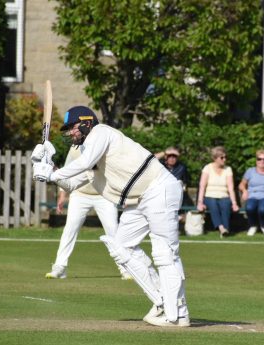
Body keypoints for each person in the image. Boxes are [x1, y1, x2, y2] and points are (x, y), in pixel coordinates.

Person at [32, 105, 190, 327]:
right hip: (138, 200)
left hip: (158, 188)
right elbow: (70, 184)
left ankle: (178, 314)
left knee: (165, 253)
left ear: (87, 122)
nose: (70, 133)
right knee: (121, 247)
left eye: (72, 128)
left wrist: (53, 172)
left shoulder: (102, 132)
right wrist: (46, 167)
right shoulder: (89, 152)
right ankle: (162, 302)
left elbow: (84, 164)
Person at [45, 146, 131, 280]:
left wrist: (123, 194)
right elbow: (66, 170)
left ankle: (126, 269)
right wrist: (62, 195)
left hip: (104, 195)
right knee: (70, 230)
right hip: (79, 194)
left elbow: (118, 172)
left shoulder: (106, 146)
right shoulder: (74, 148)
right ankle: (60, 268)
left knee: (113, 231)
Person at [196, 146, 239, 238]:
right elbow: (202, 186)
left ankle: (225, 229)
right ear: (215, 158)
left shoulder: (228, 169)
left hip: (224, 195)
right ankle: (221, 228)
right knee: (213, 205)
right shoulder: (207, 168)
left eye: (225, 157)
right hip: (209, 196)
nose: (224, 159)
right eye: (222, 157)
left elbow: (231, 188)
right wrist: (200, 202)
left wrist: (234, 203)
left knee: (226, 204)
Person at [238, 149, 264, 237]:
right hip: (252, 195)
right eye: (259, 159)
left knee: (262, 209)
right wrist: (244, 191)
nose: (262, 161)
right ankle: (253, 226)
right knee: (249, 208)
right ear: (256, 160)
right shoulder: (250, 171)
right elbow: (241, 184)